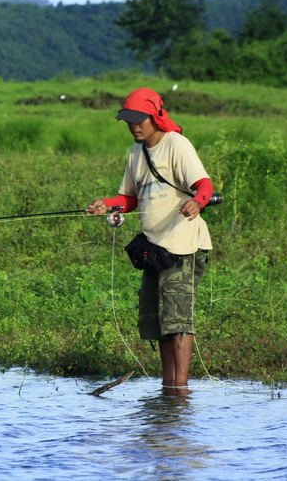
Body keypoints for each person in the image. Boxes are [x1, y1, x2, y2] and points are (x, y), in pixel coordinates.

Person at [86, 87, 213, 392]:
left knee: (178, 322)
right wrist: (106, 203)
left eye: (138, 118)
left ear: (155, 117)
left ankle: (179, 390)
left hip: (184, 245)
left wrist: (197, 202)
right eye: (128, 119)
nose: (133, 125)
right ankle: (167, 387)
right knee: (159, 323)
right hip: (154, 249)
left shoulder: (177, 146)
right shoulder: (135, 153)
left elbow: (204, 185)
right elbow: (129, 199)